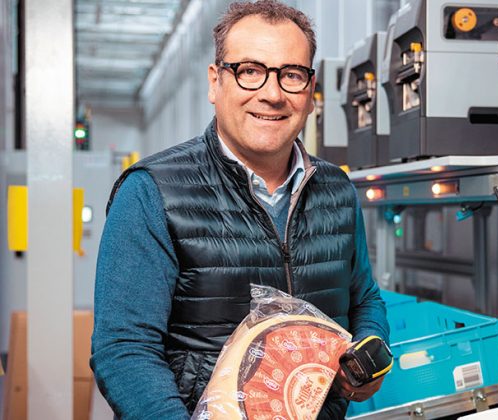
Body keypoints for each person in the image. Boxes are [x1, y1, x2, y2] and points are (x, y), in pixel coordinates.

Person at [90, 1, 389, 418]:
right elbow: (123, 349)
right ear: (216, 83)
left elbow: (365, 299)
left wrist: (367, 356)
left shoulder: (337, 189)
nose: (272, 93)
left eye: (291, 74)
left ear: (310, 90)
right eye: (249, 71)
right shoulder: (152, 191)